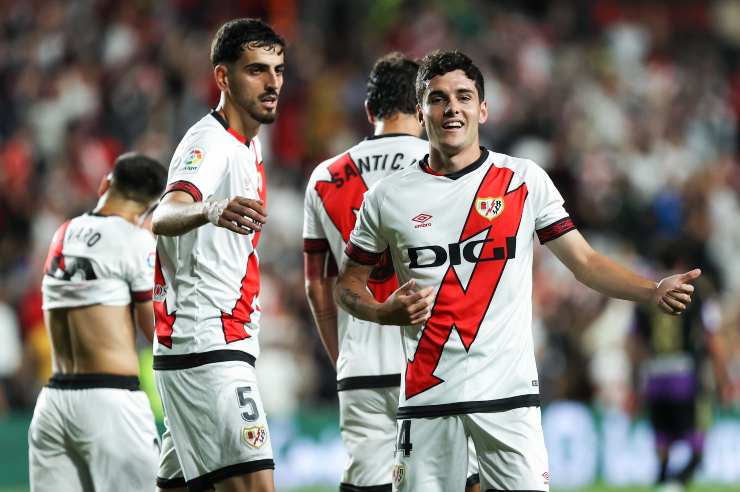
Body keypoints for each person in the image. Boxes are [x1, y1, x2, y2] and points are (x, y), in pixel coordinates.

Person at [334, 50, 701, 492]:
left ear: (483, 109)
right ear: (420, 111)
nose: (452, 107)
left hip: (509, 401)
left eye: (464, 97)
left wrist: (650, 290)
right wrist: (382, 312)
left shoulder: (522, 180)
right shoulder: (387, 197)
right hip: (427, 401)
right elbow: (348, 286)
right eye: (438, 98)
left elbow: (584, 262)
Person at [150, 18, 283, 492]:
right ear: (223, 77)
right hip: (208, 347)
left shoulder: (249, 145)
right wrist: (211, 207)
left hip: (210, 346)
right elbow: (164, 214)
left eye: (278, 70)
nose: (272, 84)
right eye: (257, 71)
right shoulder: (211, 143)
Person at [304, 52, 432, 492]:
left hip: (360, 362)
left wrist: (342, 354)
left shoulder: (325, 177)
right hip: (434, 359)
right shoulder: (446, 165)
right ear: (422, 106)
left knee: (367, 484)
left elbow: (317, 286)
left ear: (368, 110)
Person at [29, 152, 166, 491]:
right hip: (111, 405)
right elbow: (157, 335)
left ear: (106, 182)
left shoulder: (64, 232)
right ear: (151, 208)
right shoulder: (137, 241)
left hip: (54, 403)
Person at [630, 243, 733, 492]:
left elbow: (634, 344)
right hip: (685, 375)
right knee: (697, 435)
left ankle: (664, 481)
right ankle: (678, 482)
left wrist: (635, 384)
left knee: (663, 435)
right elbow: (713, 340)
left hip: (655, 375)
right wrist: (723, 381)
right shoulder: (696, 294)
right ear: (680, 264)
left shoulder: (645, 296)